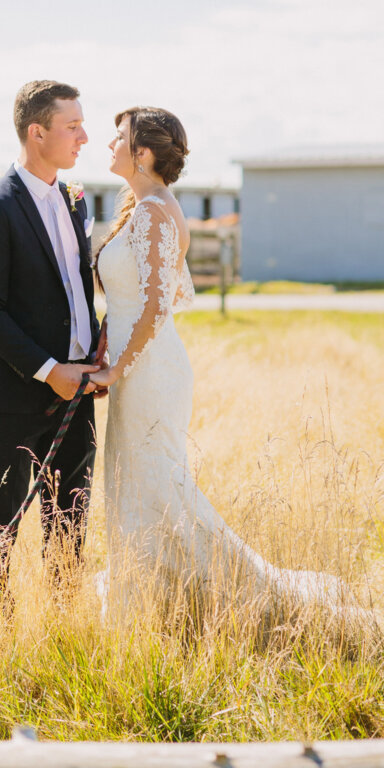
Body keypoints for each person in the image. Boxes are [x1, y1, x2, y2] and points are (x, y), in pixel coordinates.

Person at [88, 107, 365, 624]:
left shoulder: (153, 213)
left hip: (147, 371)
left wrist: (113, 369)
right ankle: (154, 600)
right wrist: (108, 346)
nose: (109, 145)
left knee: (157, 486)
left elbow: (156, 306)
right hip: (138, 364)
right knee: (139, 485)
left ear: (142, 153)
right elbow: (136, 301)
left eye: (119, 138)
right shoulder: (146, 207)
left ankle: (239, 599)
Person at [0, 80, 104, 602]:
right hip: (17, 395)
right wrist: (49, 369)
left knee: (70, 524)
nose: (84, 136)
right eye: (73, 126)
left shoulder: (74, 201)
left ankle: (63, 629)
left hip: (79, 390)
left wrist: (92, 357)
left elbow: (72, 291)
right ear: (36, 131)